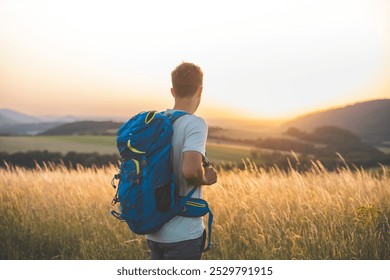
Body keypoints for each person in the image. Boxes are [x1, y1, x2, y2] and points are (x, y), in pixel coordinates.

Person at [145, 62, 217, 260]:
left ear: (172, 90)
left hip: (155, 228)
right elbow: (191, 171)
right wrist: (207, 179)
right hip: (183, 235)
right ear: (200, 90)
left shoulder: (158, 121)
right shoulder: (195, 124)